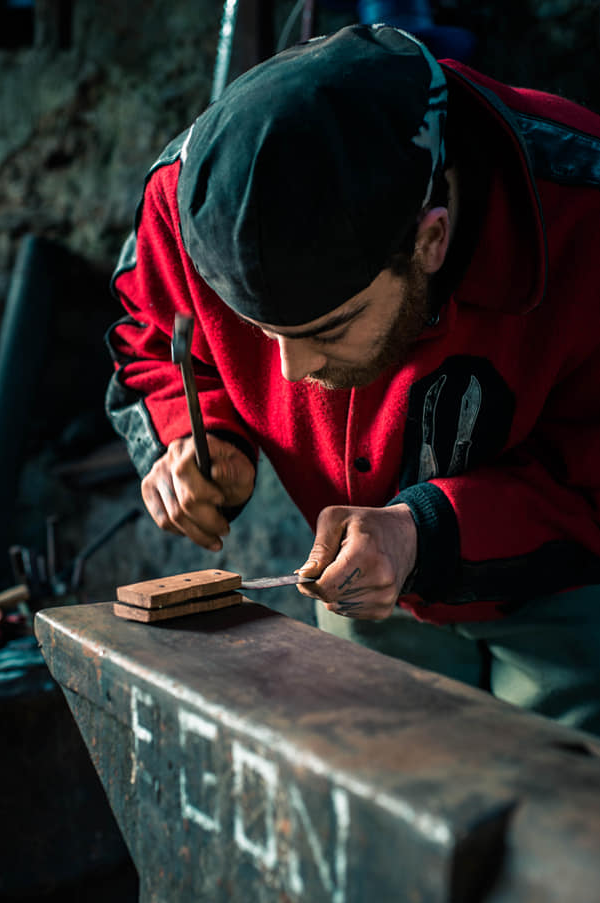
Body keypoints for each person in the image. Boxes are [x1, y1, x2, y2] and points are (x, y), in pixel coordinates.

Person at [106, 24, 600, 735]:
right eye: (259, 332)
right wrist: (198, 433)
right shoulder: (189, 198)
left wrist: (427, 529)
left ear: (429, 239)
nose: (291, 372)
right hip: (366, 595)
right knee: (372, 807)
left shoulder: (581, 210)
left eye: (328, 330)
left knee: (558, 824)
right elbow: (149, 339)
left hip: (569, 593)